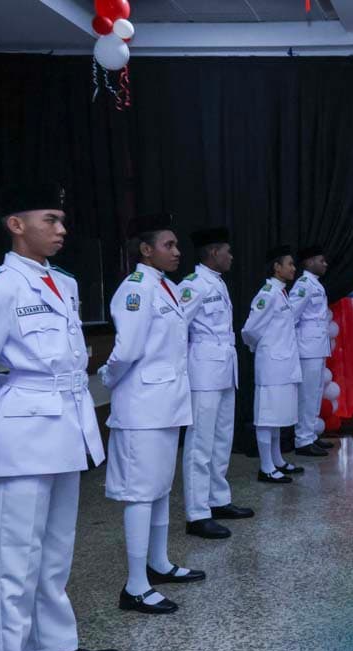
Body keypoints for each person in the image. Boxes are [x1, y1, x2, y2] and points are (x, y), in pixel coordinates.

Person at [0, 183, 121, 651]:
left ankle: (53, 648)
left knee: (56, 551)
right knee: (12, 560)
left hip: (67, 427)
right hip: (23, 429)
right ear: (16, 225)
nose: (61, 230)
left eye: (62, 220)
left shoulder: (64, 281)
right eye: (50, 220)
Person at [100, 213, 205, 616]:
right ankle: (135, 586)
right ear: (146, 250)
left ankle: (158, 564)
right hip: (142, 407)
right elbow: (126, 351)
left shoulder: (166, 288)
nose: (177, 252)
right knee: (141, 493)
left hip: (165, 405)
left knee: (160, 488)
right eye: (169, 245)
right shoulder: (137, 289)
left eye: (177, 246)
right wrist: (108, 378)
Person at [178, 227, 254, 540]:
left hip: (224, 370)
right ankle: (197, 514)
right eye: (228, 251)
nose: (231, 257)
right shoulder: (192, 285)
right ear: (213, 253)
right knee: (200, 444)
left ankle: (217, 499)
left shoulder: (217, 283)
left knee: (222, 439)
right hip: (203, 372)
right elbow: (174, 326)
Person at [241, 245, 304, 482]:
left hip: (283, 365)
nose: (293, 268)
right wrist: (261, 350)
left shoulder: (281, 293)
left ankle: (277, 460)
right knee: (266, 416)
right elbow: (250, 329)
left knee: (278, 415)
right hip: (272, 365)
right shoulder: (267, 294)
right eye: (289, 264)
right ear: (277, 267)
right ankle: (266, 466)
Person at [290, 245, 333, 457]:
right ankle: (302, 439)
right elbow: (291, 316)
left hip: (317, 346)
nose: (325, 264)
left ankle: (311, 434)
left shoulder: (315, 284)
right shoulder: (303, 285)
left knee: (315, 393)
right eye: (321, 260)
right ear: (308, 263)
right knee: (307, 395)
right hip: (306, 348)